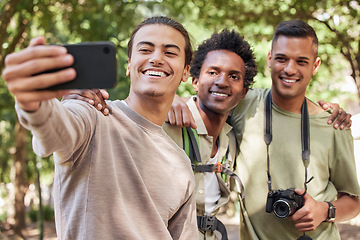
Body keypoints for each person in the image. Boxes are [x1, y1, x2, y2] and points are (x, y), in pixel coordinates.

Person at [2, 16, 198, 239]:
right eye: (145, 50)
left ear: (185, 72)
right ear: (129, 65)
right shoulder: (92, 115)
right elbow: (55, 129)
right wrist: (33, 102)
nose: (156, 58)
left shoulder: (181, 163)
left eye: (170, 53)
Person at [63, 28, 257, 240]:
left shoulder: (231, 139)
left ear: (244, 91)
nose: (222, 81)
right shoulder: (168, 120)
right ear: (193, 80)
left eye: (234, 76)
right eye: (212, 72)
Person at [228, 20, 360, 239]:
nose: (290, 69)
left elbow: (354, 202)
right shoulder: (242, 105)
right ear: (270, 59)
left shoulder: (333, 125)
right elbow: (201, 101)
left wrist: (324, 211)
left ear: (315, 66)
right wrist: (175, 102)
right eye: (281, 59)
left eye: (301, 61)